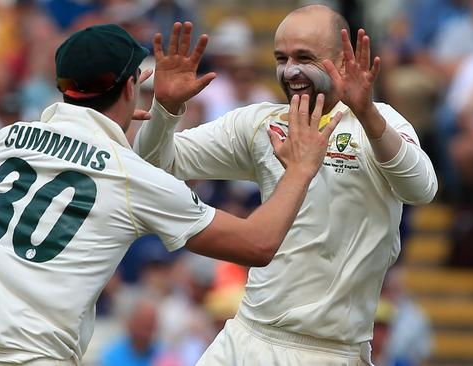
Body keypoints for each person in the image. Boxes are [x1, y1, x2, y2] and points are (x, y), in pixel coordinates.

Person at [0, 23, 340, 365]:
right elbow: (259, 243)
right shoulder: (130, 177)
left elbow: (87, 149)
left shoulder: (6, 140)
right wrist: (301, 168)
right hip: (29, 357)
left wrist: (147, 117)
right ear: (129, 88)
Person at [134, 6, 438, 365]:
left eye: (304, 57)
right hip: (247, 335)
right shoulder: (260, 123)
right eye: (282, 57)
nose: (290, 70)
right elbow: (155, 163)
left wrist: (368, 113)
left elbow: (422, 189)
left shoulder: (378, 122)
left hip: (330, 351)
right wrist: (166, 110)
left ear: (342, 62)